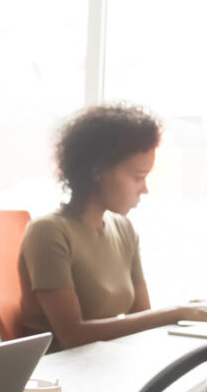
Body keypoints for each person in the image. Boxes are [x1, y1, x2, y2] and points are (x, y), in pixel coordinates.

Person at [19, 104, 207, 350]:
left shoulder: (124, 229)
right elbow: (73, 335)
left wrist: (186, 312)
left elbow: (142, 317)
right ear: (99, 170)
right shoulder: (49, 232)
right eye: (138, 177)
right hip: (61, 376)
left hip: (109, 365)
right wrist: (177, 311)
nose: (145, 189)